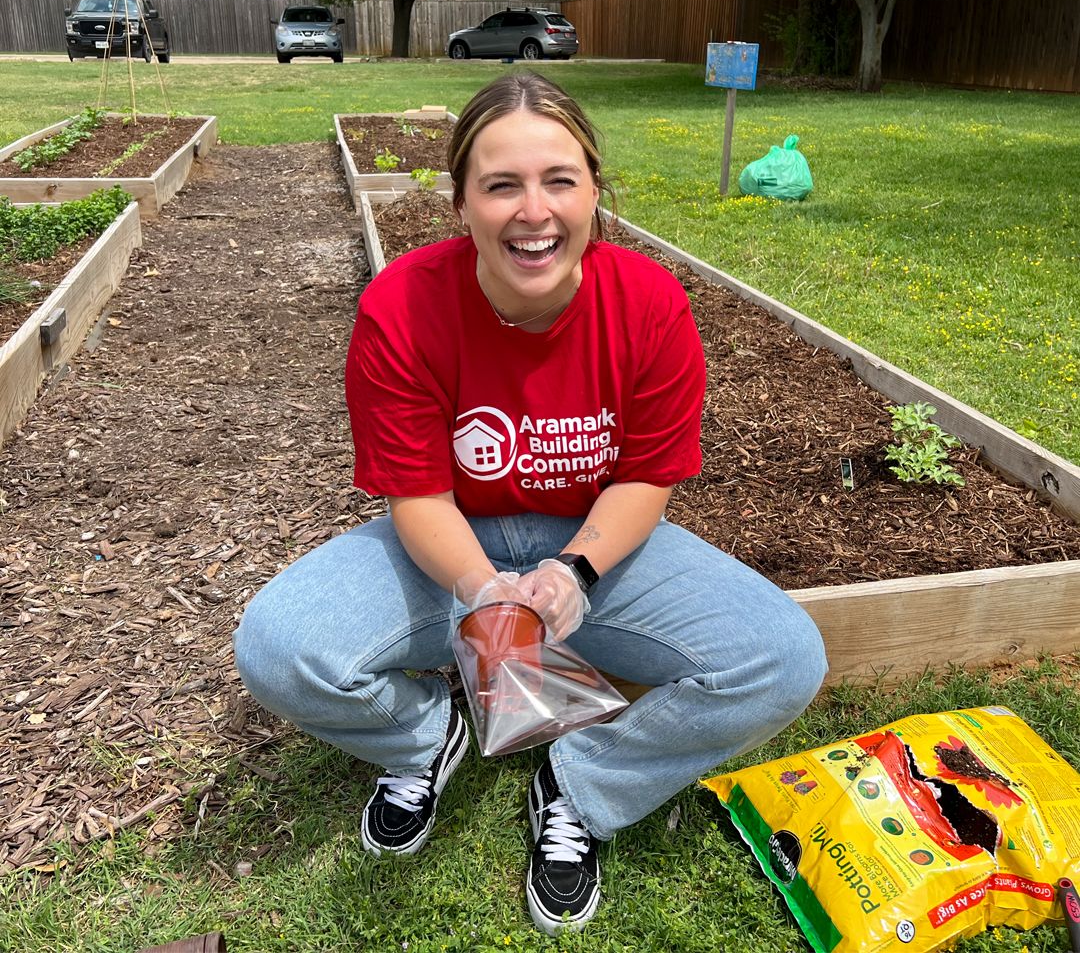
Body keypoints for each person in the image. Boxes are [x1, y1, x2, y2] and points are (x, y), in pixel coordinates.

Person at [233, 72, 827, 935]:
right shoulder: (401, 306)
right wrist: (482, 591)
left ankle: (583, 782)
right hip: (449, 542)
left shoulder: (651, 305)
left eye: (559, 180)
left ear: (593, 189)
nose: (533, 210)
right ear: (462, 202)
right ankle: (423, 737)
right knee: (280, 650)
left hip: (593, 542)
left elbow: (645, 477)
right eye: (501, 184)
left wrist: (576, 570)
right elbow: (417, 492)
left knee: (781, 658)